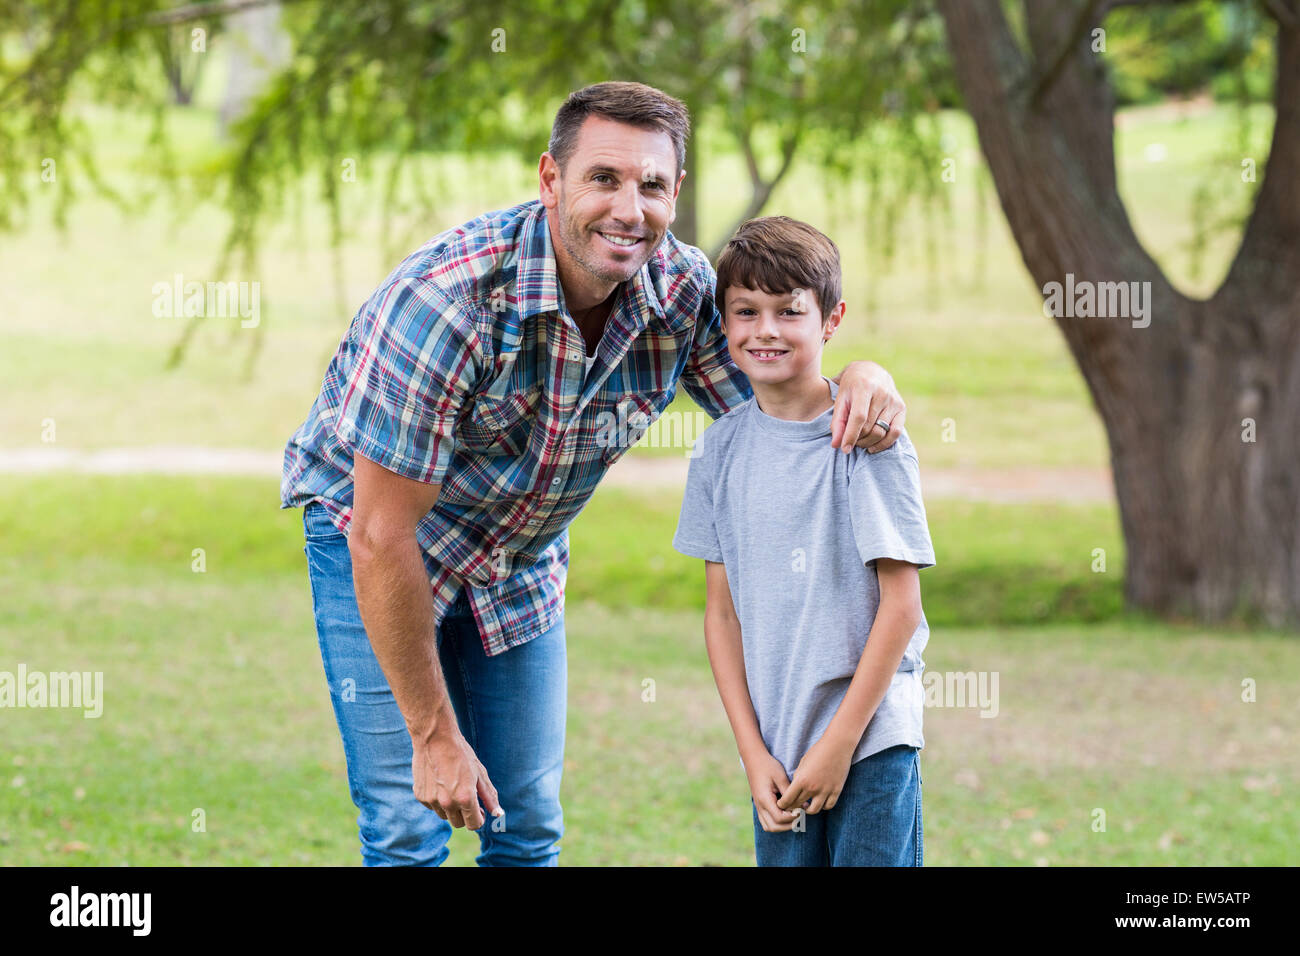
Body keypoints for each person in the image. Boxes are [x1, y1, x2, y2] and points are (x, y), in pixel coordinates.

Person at [280, 81, 909, 867]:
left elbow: (779, 402)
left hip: (520, 558)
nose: (628, 208)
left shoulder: (678, 292)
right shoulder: (447, 304)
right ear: (551, 179)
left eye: (651, 185)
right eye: (602, 179)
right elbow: (380, 531)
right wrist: (435, 735)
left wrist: (865, 375)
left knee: (527, 825)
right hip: (375, 544)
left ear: (675, 191)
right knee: (410, 825)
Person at [672, 215, 936, 867]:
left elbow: (900, 608)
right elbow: (721, 613)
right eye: (746, 311)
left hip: (869, 740)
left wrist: (841, 742)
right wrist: (751, 751)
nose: (766, 329)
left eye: (789, 311)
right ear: (724, 324)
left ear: (831, 319)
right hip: (779, 750)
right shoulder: (718, 452)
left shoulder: (868, 439)